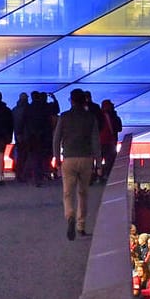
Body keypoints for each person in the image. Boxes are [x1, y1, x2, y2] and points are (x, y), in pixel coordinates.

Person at [53, 88, 98, 241]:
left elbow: (56, 139)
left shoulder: (64, 117)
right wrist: (98, 162)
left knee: (67, 192)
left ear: (71, 100)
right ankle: (81, 225)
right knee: (83, 193)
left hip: (69, 158)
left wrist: (56, 158)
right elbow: (95, 141)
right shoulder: (90, 117)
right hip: (86, 158)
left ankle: (70, 215)